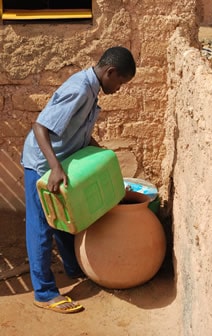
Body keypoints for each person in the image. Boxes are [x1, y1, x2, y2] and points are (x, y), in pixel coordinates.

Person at [21, 46, 136, 314]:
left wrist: (99, 152)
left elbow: (77, 132)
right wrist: (55, 168)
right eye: (120, 82)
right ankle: (45, 293)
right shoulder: (80, 89)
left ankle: (73, 267)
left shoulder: (91, 88)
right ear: (110, 72)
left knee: (65, 220)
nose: (119, 88)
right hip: (42, 165)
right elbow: (40, 127)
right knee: (42, 228)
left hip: (60, 162)